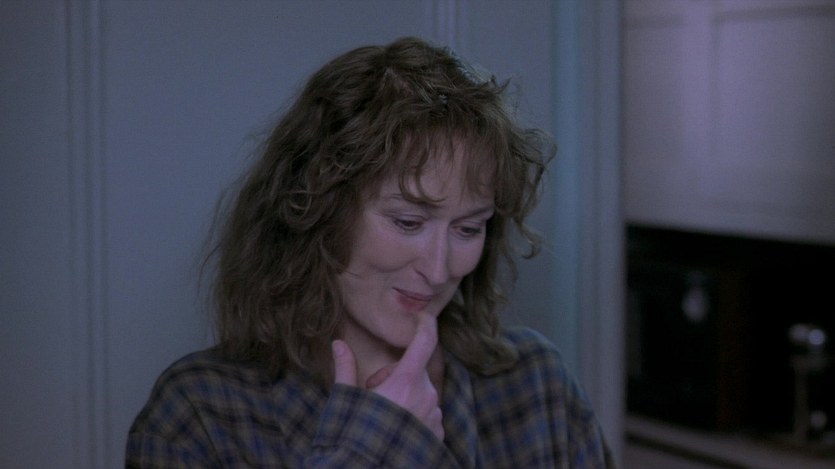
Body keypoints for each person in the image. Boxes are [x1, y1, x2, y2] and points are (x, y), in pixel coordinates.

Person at [126, 36, 614, 468]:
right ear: (319, 209)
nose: (438, 270)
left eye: (469, 229)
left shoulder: (536, 384)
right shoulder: (199, 416)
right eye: (408, 222)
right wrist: (373, 448)